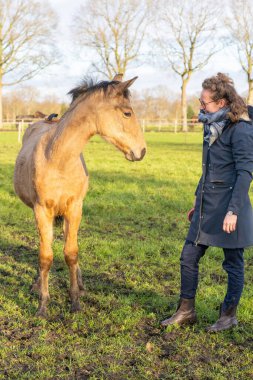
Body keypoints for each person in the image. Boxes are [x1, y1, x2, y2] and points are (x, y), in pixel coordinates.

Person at [161, 73, 253, 332]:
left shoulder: (242, 129)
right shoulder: (211, 124)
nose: (201, 107)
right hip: (206, 205)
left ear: (222, 103)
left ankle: (228, 315)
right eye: (200, 102)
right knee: (188, 256)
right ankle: (186, 310)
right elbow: (208, 168)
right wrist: (197, 199)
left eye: (205, 103)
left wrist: (233, 211)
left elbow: (245, 172)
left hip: (230, 208)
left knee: (233, 263)